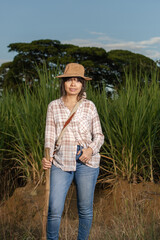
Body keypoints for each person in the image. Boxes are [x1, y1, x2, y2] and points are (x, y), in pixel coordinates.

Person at [42, 63, 104, 240]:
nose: (73, 84)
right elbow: (49, 137)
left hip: (87, 162)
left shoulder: (89, 106)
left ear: (82, 84)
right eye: (69, 80)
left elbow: (99, 135)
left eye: (77, 80)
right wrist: (47, 158)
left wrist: (91, 150)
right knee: (54, 208)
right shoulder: (53, 106)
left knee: (84, 209)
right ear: (63, 83)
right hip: (61, 162)